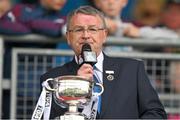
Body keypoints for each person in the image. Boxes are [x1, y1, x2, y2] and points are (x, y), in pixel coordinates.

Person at [40, 6, 167, 119]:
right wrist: (76, 89)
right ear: (68, 37)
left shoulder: (132, 70)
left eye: (92, 29)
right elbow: (47, 117)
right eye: (78, 30)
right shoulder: (52, 79)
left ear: (104, 35)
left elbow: (156, 113)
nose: (86, 35)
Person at [92, 0, 179, 39]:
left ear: (124, 2)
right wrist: (98, 24)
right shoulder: (89, 23)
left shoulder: (131, 27)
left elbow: (173, 37)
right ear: (97, 2)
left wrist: (139, 32)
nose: (111, 2)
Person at [0, 0, 67, 36]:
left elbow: (60, 29)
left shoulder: (63, 18)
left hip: (43, 61)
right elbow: (2, 25)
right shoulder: (20, 9)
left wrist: (29, 25)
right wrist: (32, 27)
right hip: (13, 61)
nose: (62, 0)